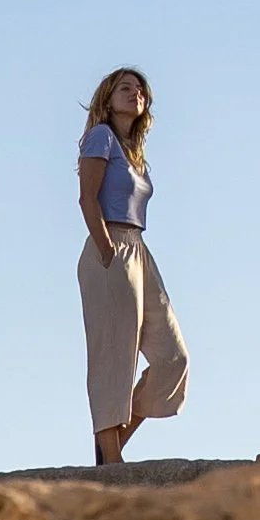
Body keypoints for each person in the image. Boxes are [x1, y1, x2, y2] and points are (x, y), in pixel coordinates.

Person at [77, 66, 188, 469]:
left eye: (140, 89)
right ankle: (111, 458)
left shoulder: (133, 153)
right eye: (125, 87)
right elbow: (87, 198)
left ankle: (111, 448)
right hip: (110, 244)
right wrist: (106, 249)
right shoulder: (101, 137)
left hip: (139, 248)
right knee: (114, 353)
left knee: (172, 358)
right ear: (107, 98)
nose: (135, 93)